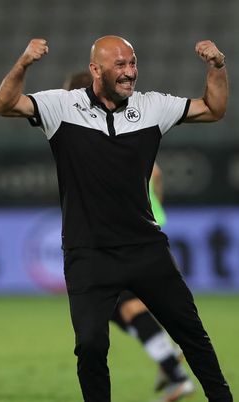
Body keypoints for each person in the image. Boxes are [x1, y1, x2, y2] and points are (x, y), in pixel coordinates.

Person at [0, 36, 232, 402]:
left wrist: (216, 66)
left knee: (193, 336)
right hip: (88, 254)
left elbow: (214, 109)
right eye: (120, 65)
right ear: (96, 69)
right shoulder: (61, 105)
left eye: (132, 63)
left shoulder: (152, 107)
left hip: (145, 249)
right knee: (89, 347)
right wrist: (23, 63)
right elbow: (3, 104)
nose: (130, 72)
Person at [63, 68, 193, 402]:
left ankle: (171, 361)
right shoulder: (127, 135)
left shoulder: (94, 144)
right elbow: (158, 175)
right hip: (144, 232)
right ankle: (169, 359)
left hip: (120, 239)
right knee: (119, 308)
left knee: (124, 306)